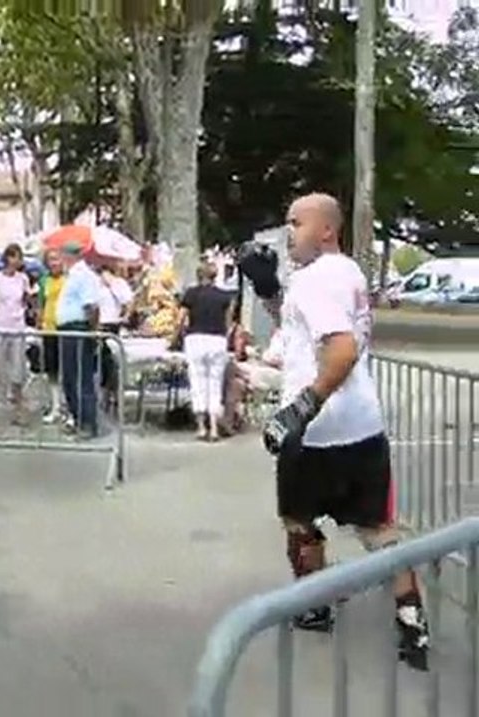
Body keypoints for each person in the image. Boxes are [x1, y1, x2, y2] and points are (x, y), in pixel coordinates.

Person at [239, 192, 429, 671]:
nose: (288, 232)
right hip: (364, 424)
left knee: (300, 521)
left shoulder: (316, 279)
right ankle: (413, 625)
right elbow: (305, 324)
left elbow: (340, 350)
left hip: (317, 431)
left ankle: (316, 605)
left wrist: (302, 407)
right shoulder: (345, 273)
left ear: (327, 229)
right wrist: (267, 291)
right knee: (380, 529)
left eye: (296, 222)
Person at [179, 262, 234, 441]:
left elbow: (181, 319)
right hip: (217, 340)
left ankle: (202, 427)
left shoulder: (191, 294)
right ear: (215, 276)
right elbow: (228, 323)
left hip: (195, 339)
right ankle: (214, 429)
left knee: (198, 382)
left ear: (198, 276)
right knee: (215, 383)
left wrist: (178, 336)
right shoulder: (225, 296)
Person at [0, 243, 31, 424]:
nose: (18, 261)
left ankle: (18, 409)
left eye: (20, 257)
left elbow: (26, 299)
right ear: (7, 258)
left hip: (17, 327)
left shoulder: (23, 279)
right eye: (15, 256)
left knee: (18, 369)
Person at [55, 243, 100, 438]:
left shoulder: (84, 276)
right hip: (67, 330)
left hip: (78, 329)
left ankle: (88, 422)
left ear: (69, 255)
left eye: (61, 255)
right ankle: (77, 417)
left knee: (82, 378)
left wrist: (92, 331)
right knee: (69, 378)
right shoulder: (72, 276)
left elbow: (91, 307)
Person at [97, 261, 134, 413]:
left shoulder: (118, 284)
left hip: (112, 324)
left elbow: (129, 302)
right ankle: (104, 396)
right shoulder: (95, 284)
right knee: (102, 364)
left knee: (112, 363)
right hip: (99, 324)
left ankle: (114, 396)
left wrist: (125, 317)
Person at [37, 250, 66, 424]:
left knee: (68, 370)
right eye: (50, 260)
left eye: (56, 259)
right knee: (52, 370)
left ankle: (68, 407)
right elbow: (41, 303)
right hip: (49, 329)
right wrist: (39, 322)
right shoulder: (44, 280)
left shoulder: (69, 279)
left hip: (65, 328)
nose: (54, 263)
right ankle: (55, 406)